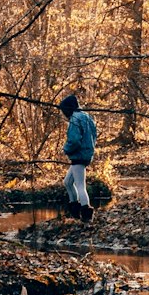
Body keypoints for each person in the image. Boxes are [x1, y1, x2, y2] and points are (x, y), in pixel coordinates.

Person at [58, 92, 98, 223]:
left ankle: (86, 215)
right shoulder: (87, 117)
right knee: (68, 182)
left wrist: (66, 149)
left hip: (78, 155)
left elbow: (74, 140)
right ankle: (75, 211)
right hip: (85, 154)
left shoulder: (75, 119)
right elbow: (94, 135)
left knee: (80, 185)